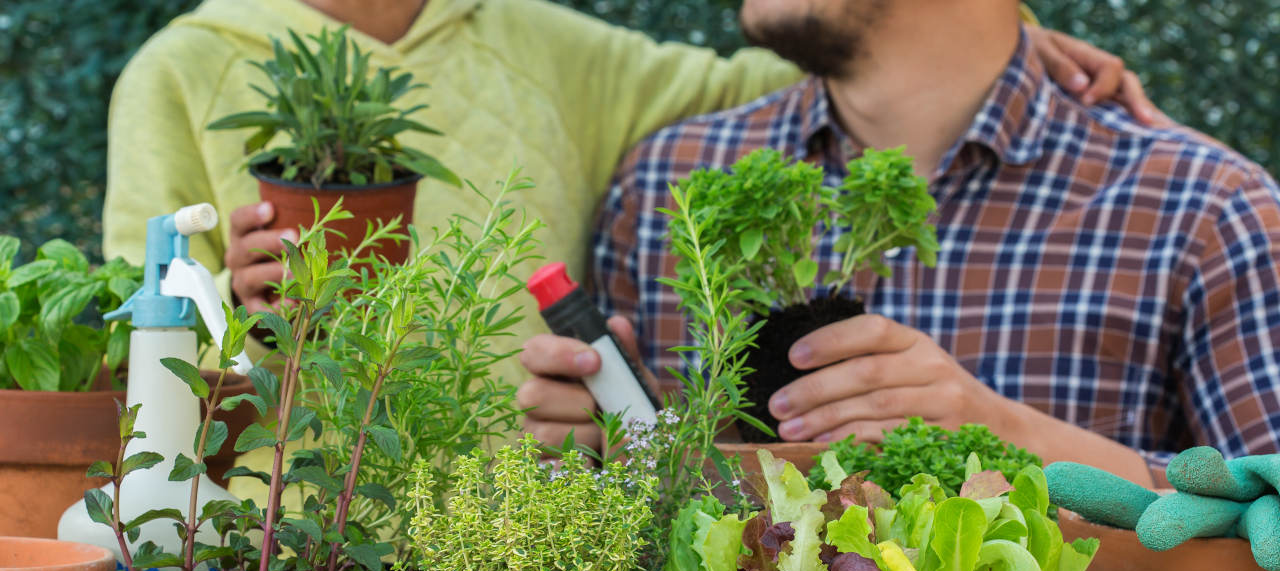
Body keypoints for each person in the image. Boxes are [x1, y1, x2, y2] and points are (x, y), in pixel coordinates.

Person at [104, 0, 1150, 394]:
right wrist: (231, 317)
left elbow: (800, 74)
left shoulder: (539, 45)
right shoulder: (182, 69)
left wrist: (1006, 40)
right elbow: (128, 372)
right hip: (287, 553)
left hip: (524, 549)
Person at [518, 0, 1280, 486]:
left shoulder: (1202, 209)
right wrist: (593, 456)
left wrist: (1010, 438)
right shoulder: (665, 189)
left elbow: (1265, 514)